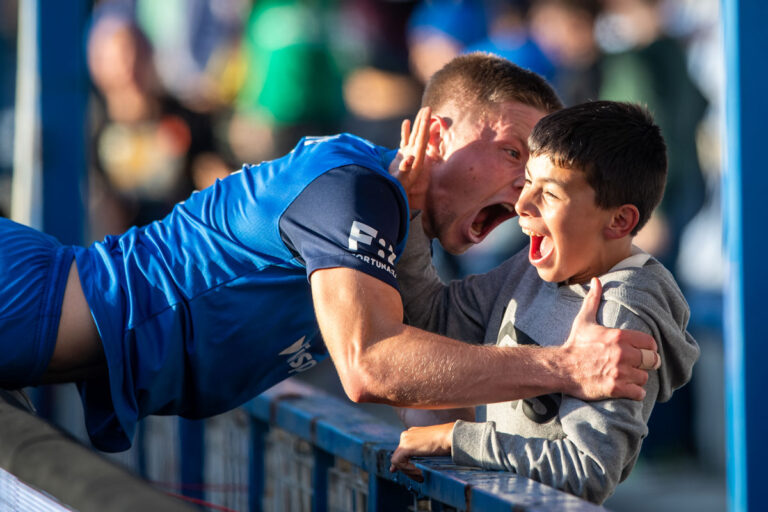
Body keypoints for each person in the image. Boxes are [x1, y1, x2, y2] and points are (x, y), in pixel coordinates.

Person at [0, 54, 658, 453]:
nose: (524, 186)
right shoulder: (356, 188)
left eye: (534, 168)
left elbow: (431, 383)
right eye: (512, 152)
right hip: (24, 296)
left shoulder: (391, 221)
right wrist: (564, 367)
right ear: (435, 134)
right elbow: (370, 366)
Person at [389, 101, 700, 503]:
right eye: (527, 182)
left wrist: (456, 438)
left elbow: (587, 471)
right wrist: (410, 210)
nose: (522, 204)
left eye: (549, 194)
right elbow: (435, 319)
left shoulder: (620, 312)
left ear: (619, 221)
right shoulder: (531, 268)